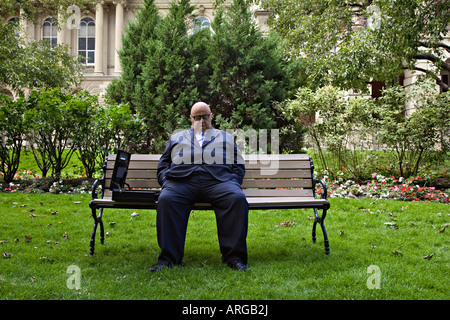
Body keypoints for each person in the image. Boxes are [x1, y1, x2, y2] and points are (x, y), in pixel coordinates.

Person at [149, 102, 249, 272]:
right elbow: (163, 163)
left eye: (205, 116)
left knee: (236, 198)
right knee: (166, 199)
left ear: (211, 116)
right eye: (197, 117)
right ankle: (168, 259)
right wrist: (166, 181)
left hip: (219, 182)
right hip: (182, 182)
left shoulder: (226, 137)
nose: (201, 120)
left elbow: (238, 165)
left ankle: (234, 258)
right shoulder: (176, 138)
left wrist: (232, 180)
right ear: (191, 118)